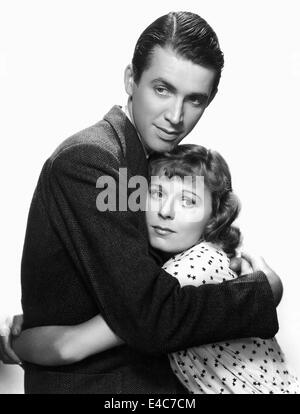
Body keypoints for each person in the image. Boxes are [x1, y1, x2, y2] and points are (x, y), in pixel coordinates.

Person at [0, 12, 279, 394]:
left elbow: (127, 284)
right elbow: (150, 316)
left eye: (194, 99)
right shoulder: (97, 161)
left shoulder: (139, 165)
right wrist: (263, 294)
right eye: (162, 89)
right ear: (131, 79)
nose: (176, 117)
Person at [11, 144, 297, 394]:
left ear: (213, 218)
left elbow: (69, 347)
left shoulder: (193, 270)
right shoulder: (178, 265)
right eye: (157, 193)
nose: (166, 210)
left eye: (188, 201)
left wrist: (12, 343)